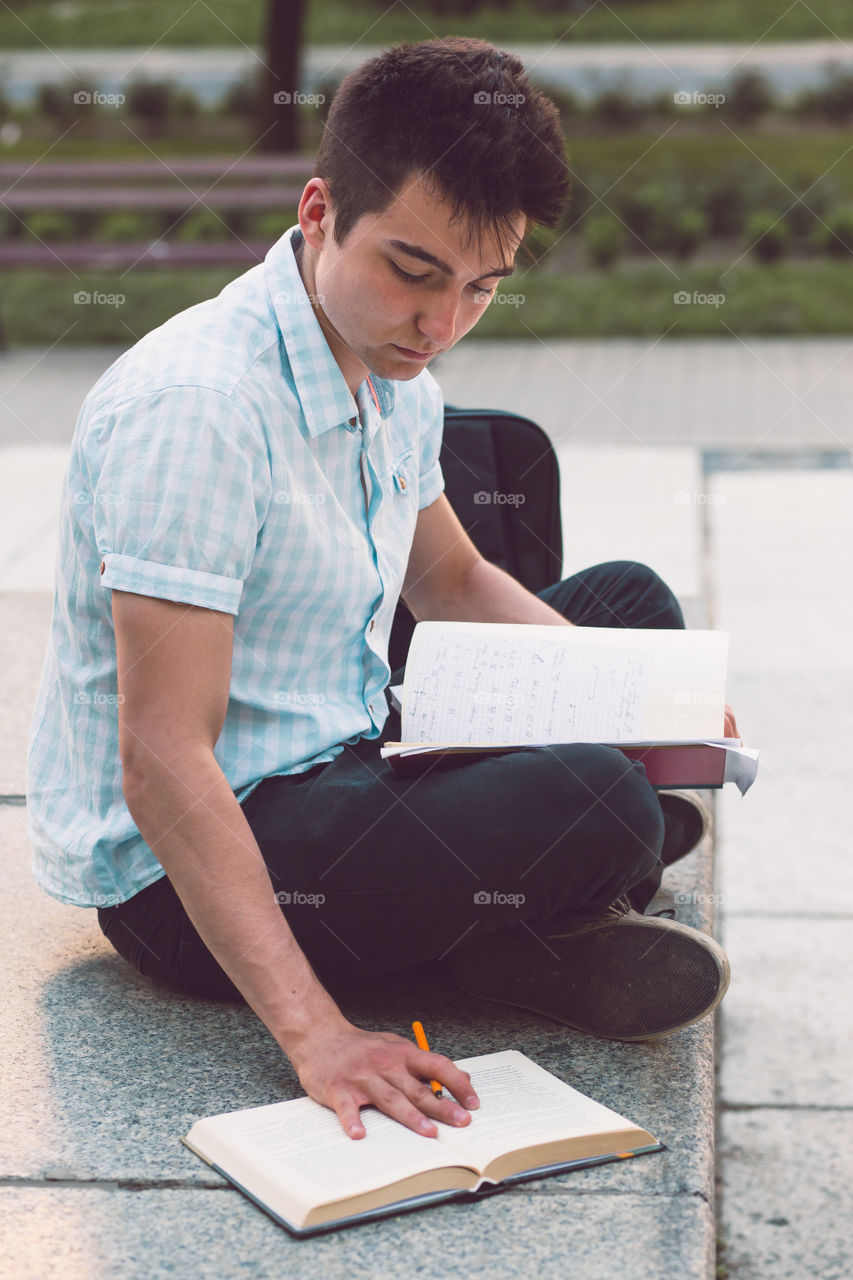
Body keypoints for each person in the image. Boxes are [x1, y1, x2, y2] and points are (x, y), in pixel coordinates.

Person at [26, 36, 739, 1145]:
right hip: (189, 871)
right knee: (596, 800)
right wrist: (319, 1034)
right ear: (319, 212)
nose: (441, 321)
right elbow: (162, 755)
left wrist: (653, 707)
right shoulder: (197, 410)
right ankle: (543, 904)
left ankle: (525, 910)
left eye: (479, 288)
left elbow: (451, 575)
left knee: (633, 613)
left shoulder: (390, 370)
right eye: (412, 271)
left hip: (346, 740)